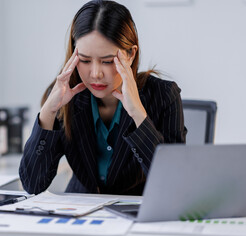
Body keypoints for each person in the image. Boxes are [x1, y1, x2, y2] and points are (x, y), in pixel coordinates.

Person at [19, 0, 187, 195]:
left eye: (107, 61)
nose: (95, 73)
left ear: (130, 54)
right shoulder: (64, 96)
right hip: (80, 212)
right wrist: (48, 112)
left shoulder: (163, 96)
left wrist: (138, 115)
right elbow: (32, 184)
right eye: (85, 60)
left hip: (137, 211)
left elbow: (174, 185)